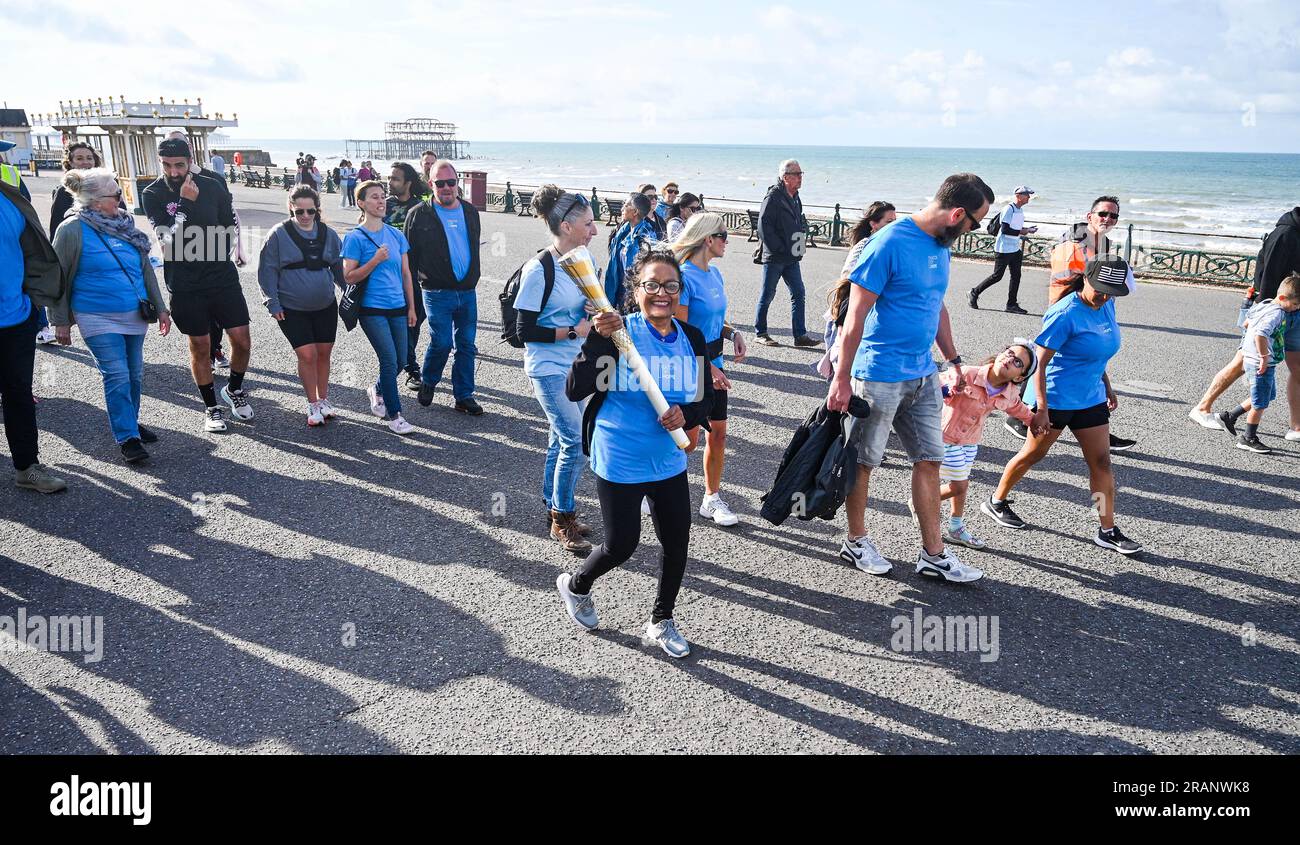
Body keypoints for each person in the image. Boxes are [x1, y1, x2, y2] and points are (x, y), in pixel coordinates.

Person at [828, 172, 995, 584]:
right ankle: (855, 540)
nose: (972, 231)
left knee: (931, 459)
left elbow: (936, 307)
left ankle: (934, 555)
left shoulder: (941, 247)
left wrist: (953, 360)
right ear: (957, 213)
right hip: (879, 373)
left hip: (923, 374)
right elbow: (854, 318)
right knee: (865, 461)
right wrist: (842, 378)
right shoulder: (889, 243)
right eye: (974, 223)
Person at [556, 249, 715, 658]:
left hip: (667, 459)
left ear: (680, 292)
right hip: (620, 455)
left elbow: (705, 398)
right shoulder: (617, 332)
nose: (662, 293)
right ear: (636, 291)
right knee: (621, 545)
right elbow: (575, 389)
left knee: (677, 542)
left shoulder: (691, 338)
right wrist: (595, 339)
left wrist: (687, 413)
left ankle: (662, 620)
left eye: (670, 286)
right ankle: (576, 586)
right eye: (652, 285)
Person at [982, 257, 1143, 554]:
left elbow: (1097, 353)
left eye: (1112, 291)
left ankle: (1106, 528)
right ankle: (996, 501)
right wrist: (1040, 407)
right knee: (1032, 455)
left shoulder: (1106, 303)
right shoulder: (1065, 314)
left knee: (1101, 463)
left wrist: (1107, 385)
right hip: (1055, 398)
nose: (1106, 296)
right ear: (1086, 279)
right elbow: (1040, 365)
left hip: (1090, 397)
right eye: (1102, 289)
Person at [49, 168, 171, 463]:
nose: (121, 198)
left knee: (134, 374)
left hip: (134, 312)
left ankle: (130, 421)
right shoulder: (71, 230)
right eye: (116, 194)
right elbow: (58, 276)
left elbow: (145, 271)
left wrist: (162, 307)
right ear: (95, 201)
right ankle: (127, 437)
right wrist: (60, 320)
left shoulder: (125, 225)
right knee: (116, 373)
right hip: (95, 314)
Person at [1003, 196, 1137, 453]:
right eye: (1103, 214)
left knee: (1077, 359)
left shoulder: (1103, 244)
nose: (1108, 219)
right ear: (1090, 216)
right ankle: (1022, 414)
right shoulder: (1075, 246)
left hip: (1094, 309)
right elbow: (1069, 282)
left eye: (1113, 216)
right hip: (1069, 311)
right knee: (1048, 360)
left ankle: (1095, 425)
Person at [142, 137, 253, 433]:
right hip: (185, 281)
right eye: (166, 165)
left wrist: (213, 247)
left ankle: (234, 390)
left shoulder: (214, 185)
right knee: (200, 345)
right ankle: (211, 407)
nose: (174, 171)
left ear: (190, 160)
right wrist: (184, 205)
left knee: (242, 340)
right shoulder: (152, 193)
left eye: (179, 164)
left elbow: (228, 228)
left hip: (220, 275)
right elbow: (166, 242)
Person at [517, 186, 599, 553]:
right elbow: (524, 331)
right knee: (577, 444)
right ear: (566, 226)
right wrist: (571, 330)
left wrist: (593, 317)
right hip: (548, 368)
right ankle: (563, 520)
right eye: (588, 223)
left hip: (576, 365)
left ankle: (553, 509)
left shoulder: (584, 261)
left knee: (559, 441)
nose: (594, 230)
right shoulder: (539, 269)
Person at [1190, 207, 1300, 442]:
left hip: (1292, 311)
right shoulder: (1286, 233)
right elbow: (1268, 276)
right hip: (1271, 310)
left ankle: (1296, 427)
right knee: (1241, 362)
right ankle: (1203, 407)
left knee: (1297, 368)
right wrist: (1260, 315)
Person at [672, 212, 747, 526]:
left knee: (718, 435)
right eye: (724, 236)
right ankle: (655, 489)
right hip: (692, 367)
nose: (727, 242)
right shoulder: (683, 277)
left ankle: (711, 499)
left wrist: (733, 333)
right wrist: (708, 370)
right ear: (708, 239)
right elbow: (682, 331)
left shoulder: (714, 275)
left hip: (715, 364)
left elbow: (716, 319)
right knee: (687, 440)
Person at [0, 161, 67, 492]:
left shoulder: (10, 189)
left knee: (18, 394)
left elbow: (31, 247)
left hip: (16, 315)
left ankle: (27, 467)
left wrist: (34, 300)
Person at [935, 341, 1037, 549]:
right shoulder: (967, 373)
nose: (1009, 358)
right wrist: (948, 390)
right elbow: (934, 386)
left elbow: (1018, 408)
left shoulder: (1009, 393)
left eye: (1017, 362)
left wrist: (1034, 421)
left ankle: (956, 526)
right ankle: (922, 501)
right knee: (960, 484)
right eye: (1009, 353)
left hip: (970, 442)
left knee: (961, 484)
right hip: (945, 438)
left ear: (1019, 377)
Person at [258, 185, 344, 427]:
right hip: (291, 307)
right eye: (299, 212)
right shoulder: (278, 234)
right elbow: (267, 270)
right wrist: (272, 302)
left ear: (317, 210)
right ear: (291, 209)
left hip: (325, 304)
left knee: (324, 353)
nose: (305, 216)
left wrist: (349, 293)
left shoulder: (329, 234)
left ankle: (324, 399)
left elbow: (339, 269)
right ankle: (312, 402)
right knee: (307, 354)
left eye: (310, 211)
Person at [405, 159, 484, 415]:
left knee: (467, 345)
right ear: (431, 184)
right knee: (441, 342)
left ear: (457, 183)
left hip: (467, 291)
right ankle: (429, 380)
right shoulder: (418, 214)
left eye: (451, 182)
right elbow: (409, 259)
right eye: (440, 183)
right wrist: (411, 299)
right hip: (435, 292)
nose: (446, 187)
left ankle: (463, 395)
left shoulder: (471, 212)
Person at [342, 180, 417, 435]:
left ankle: (376, 389)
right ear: (361, 203)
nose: (381, 201)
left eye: (382, 196)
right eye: (374, 197)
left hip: (398, 306)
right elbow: (349, 277)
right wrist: (374, 260)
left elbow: (407, 274)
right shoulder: (354, 238)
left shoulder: (396, 235)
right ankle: (395, 415)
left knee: (401, 360)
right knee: (388, 360)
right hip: (372, 309)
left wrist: (411, 307)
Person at [1215, 273, 1300, 454]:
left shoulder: (1266, 303)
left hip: (1253, 358)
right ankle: (1248, 438)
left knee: (1266, 396)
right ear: (1283, 298)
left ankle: (1230, 416)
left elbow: (1247, 323)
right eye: (1295, 305)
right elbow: (1261, 333)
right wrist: (1263, 356)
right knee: (1260, 403)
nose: (1296, 309)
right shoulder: (1277, 313)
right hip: (1260, 362)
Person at [818, 201, 897, 379]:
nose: (894, 226)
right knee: (843, 372)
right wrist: (841, 324)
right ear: (873, 224)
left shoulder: (887, 247)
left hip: (868, 317)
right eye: (888, 221)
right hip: (847, 314)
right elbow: (847, 283)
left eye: (895, 221)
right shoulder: (864, 246)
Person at [755, 159, 819, 347]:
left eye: (801, 174)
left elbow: (797, 223)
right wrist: (778, 248)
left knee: (799, 293)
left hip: (791, 257)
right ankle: (761, 332)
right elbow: (763, 226)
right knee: (767, 294)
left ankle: (800, 336)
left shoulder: (795, 197)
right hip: (775, 257)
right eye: (797, 174)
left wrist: (799, 247)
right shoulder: (773, 197)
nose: (800, 178)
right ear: (785, 177)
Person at [384, 162, 428, 390]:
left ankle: (408, 364)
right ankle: (405, 365)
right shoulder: (384, 206)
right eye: (390, 178)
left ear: (408, 183)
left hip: (413, 276)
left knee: (414, 320)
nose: (390, 182)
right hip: (386, 276)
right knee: (391, 323)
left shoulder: (421, 207)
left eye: (395, 179)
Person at [968, 186, 1037, 314]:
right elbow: (1005, 230)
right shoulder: (1008, 209)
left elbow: (1015, 227)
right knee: (997, 276)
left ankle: (1011, 304)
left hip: (1014, 248)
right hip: (1003, 248)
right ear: (1018, 196)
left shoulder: (1020, 210)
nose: (1029, 197)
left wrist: (1027, 229)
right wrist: (1023, 231)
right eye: (1027, 195)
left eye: (1029, 195)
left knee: (1016, 276)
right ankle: (974, 292)